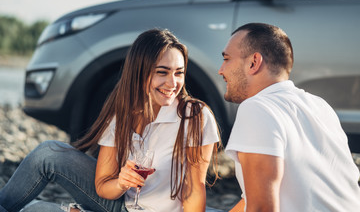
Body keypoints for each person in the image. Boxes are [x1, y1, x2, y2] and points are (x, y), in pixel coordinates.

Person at [0, 28, 221, 212]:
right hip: (122, 205)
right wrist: (121, 182)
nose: (172, 83)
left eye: (179, 73)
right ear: (140, 72)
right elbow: (103, 186)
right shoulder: (123, 113)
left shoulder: (195, 117)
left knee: (36, 210)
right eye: (162, 72)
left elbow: (194, 189)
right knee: (46, 155)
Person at [218, 23, 360, 211]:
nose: (221, 70)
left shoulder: (257, 108)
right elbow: (252, 199)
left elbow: (261, 208)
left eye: (227, 59)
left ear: (253, 62)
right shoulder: (320, 106)